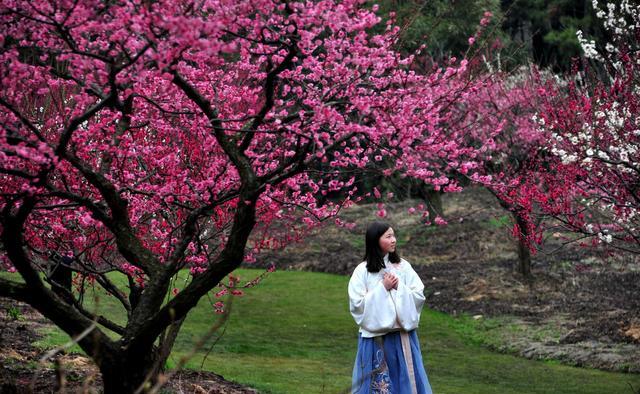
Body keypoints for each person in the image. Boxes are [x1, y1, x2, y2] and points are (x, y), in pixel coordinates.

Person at [348, 221, 433, 394]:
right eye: (388, 236)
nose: (394, 240)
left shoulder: (403, 267)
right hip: (376, 341)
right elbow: (357, 304)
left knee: (405, 382)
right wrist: (382, 288)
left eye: (394, 235)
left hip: (402, 339)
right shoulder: (362, 271)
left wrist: (399, 288)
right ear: (375, 240)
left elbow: (418, 295)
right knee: (379, 386)